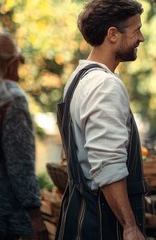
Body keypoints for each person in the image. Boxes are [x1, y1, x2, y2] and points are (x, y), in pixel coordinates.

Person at [55, 0, 147, 239]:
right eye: (137, 30)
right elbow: (108, 165)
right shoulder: (105, 85)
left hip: (78, 216)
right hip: (102, 225)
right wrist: (129, 226)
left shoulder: (78, 79)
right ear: (113, 35)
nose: (142, 38)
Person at [0, 30, 48, 240]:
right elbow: (20, 166)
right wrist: (35, 217)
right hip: (0, 214)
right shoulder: (11, 99)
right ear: (12, 62)